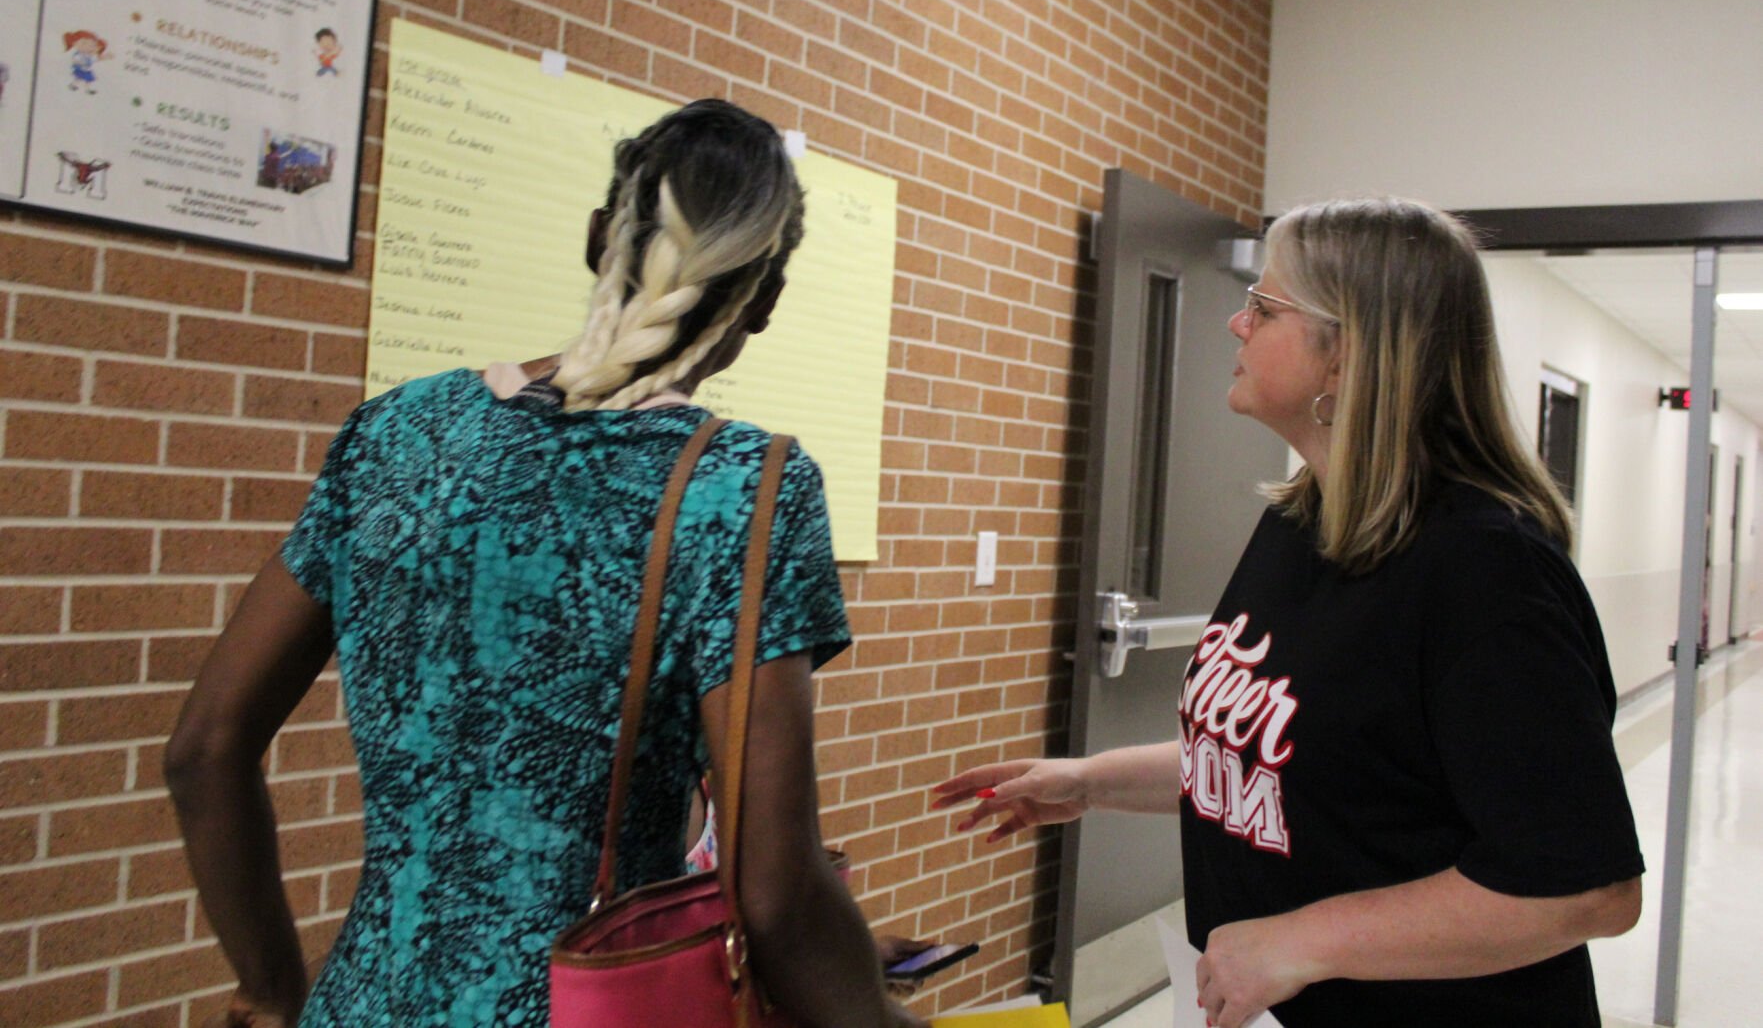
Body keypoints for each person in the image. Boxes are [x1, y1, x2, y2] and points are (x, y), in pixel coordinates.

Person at [168, 99, 925, 1028]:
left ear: (598, 239)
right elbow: (775, 892)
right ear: (762, 300)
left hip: (360, 1001)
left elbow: (203, 751)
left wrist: (269, 986)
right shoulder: (743, 490)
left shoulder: (396, 433)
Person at [935, 197, 1644, 1028]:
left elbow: (1586, 888)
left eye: (1265, 308)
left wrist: (1305, 938)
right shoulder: (1297, 522)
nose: (1236, 323)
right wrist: (1089, 782)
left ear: (1346, 357)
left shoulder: (1485, 569)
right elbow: (1302, 759)